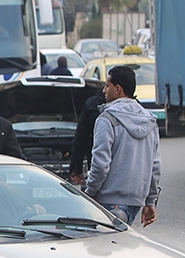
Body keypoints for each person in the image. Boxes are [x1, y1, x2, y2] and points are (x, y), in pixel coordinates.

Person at [84, 66, 161, 226]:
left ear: (117, 89)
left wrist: (89, 193)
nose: (104, 90)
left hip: (108, 200)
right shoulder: (150, 121)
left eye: (107, 85)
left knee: (103, 249)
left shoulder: (107, 119)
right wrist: (150, 201)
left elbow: (100, 165)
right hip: (135, 202)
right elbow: (155, 166)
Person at [69, 90, 106, 184]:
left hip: (96, 165)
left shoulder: (92, 105)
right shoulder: (136, 110)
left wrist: (76, 168)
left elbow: (81, 139)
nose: (104, 90)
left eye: (107, 86)